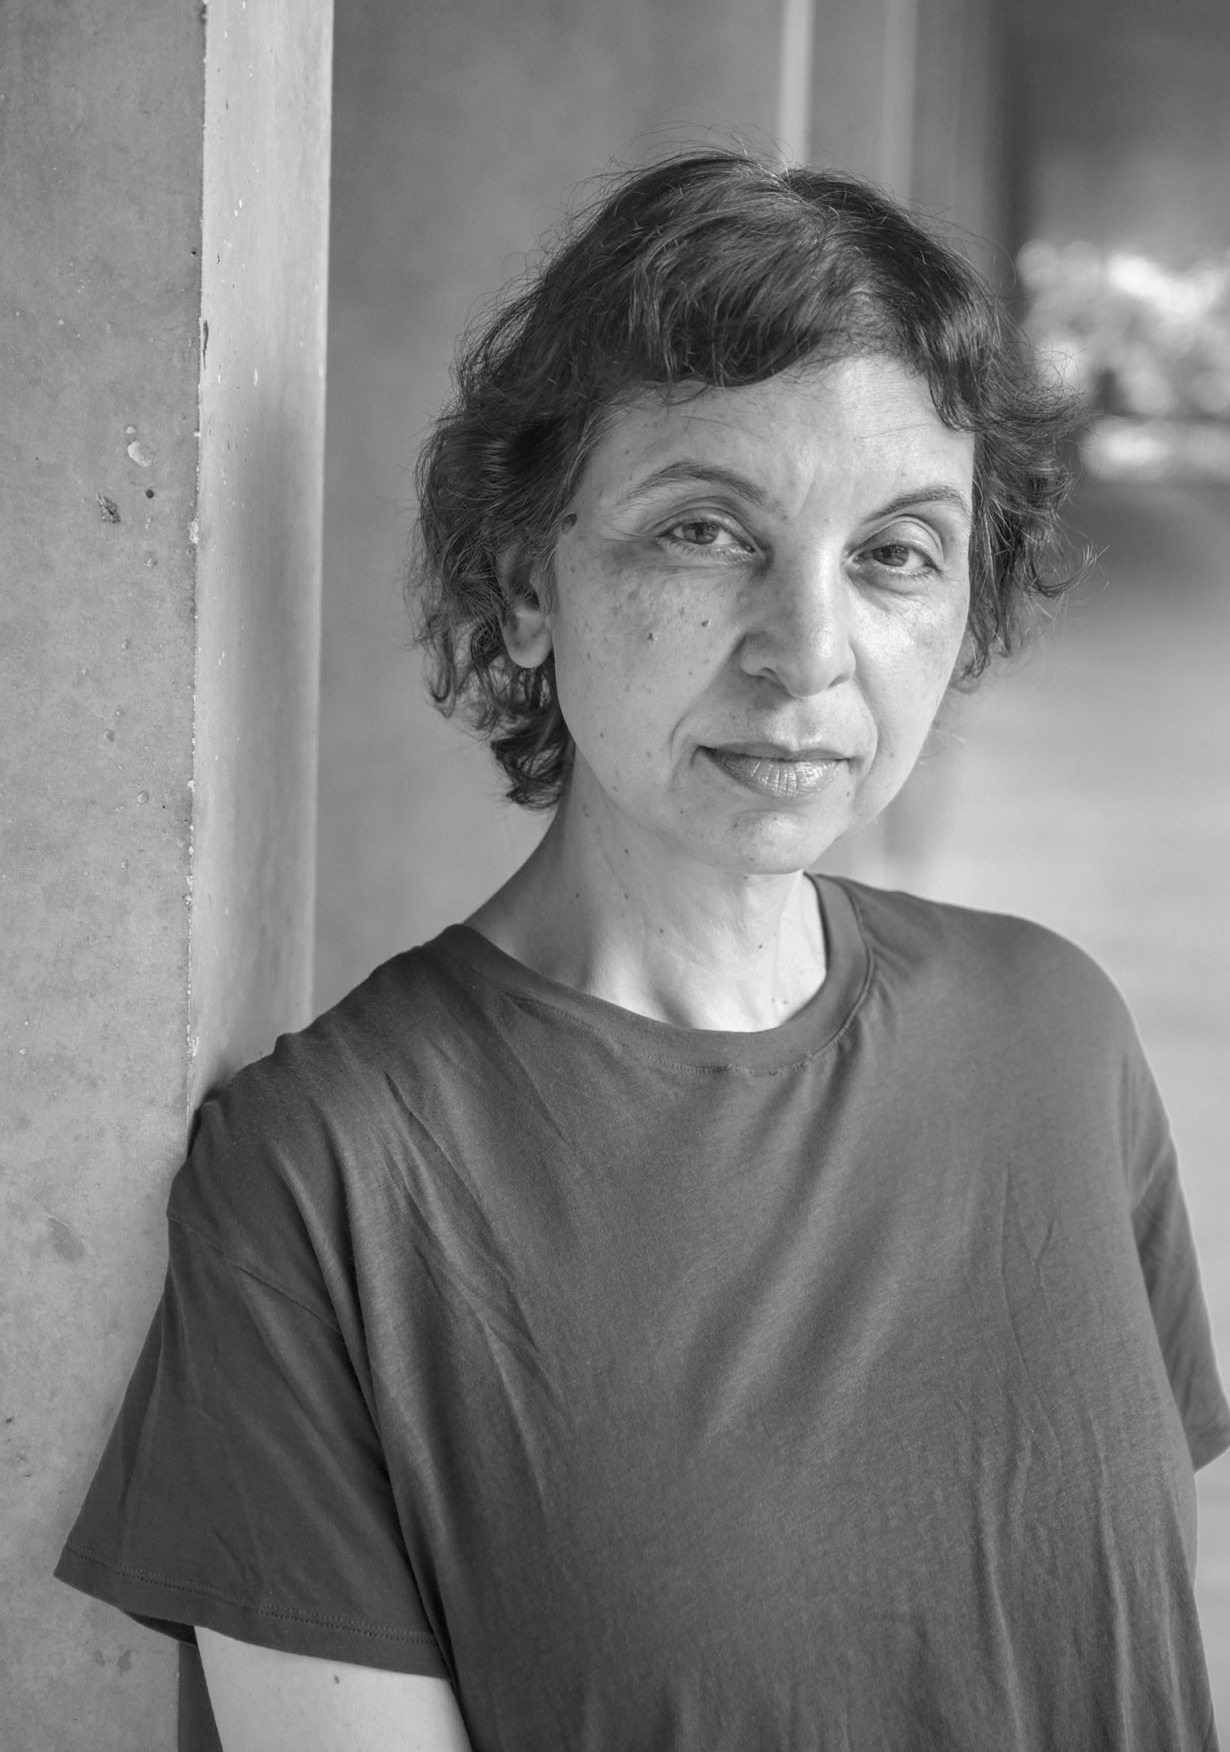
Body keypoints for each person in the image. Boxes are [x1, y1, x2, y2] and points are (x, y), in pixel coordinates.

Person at [56, 151, 1230, 1751]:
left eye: (894, 550)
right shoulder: (329, 1179)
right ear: (521, 581)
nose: (808, 652)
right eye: (703, 530)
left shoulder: (1055, 1035)